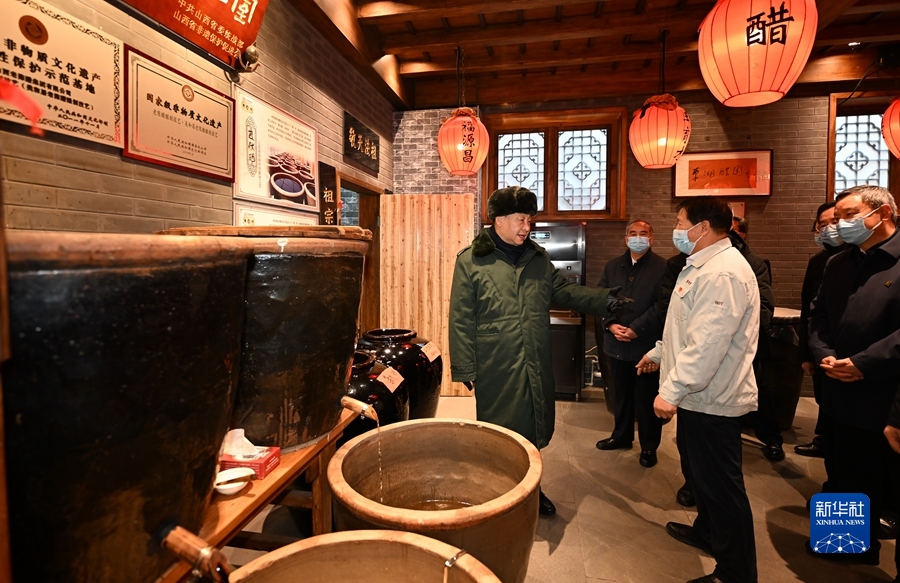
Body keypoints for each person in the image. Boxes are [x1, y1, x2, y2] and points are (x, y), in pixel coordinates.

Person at [449, 186, 630, 517]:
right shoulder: (471, 261)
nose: (526, 227)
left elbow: (564, 292)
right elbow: (460, 317)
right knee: (500, 432)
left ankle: (531, 489)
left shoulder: (537, 258)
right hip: (496, 363)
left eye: (529, 220)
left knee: (533, 427)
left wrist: (604, 300)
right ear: (499, 219)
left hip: (535, 358)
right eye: (521, 219)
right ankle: (499, 493)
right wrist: (465, 367)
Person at [638, 197, 760, 583]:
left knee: (722, 486)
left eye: (680, 222)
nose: (677, 230)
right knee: (701, 476)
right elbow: (687, 328)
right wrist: (659, 351)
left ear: (703, 227)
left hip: (713, 399)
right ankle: (707, 531)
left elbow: (709, 343)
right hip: (699, 398)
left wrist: (672, 390)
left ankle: (735, 573)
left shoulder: (722, 273)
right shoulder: (701, 266)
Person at [807, 184, 900, 566]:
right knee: (841, 470)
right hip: (838, 388)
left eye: (849, 216)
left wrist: (865, 363)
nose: (840, 225)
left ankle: (873, 546)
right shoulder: (838, 263)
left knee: (880, 478)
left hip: (886, 393)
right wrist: (824, 355)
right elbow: (818, 316)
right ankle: (845, 545)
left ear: (883, 214)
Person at [595, 220, 667, 468]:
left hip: (646, 346)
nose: (638, 238)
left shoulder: (663, 267)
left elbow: (662, 305)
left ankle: (649, 447)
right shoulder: (613, 265)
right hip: (616, 343)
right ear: (626, 239)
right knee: (621, 395)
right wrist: (611, 324)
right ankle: (621, 436)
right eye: (633, 234)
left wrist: (636, 329)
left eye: (643, 233)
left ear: (651, 238)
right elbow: (601, 297)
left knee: (647, 399)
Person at [795, 201, 844, 457]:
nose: (828, 229)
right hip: (821, 347)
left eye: (834, 222)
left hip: (851, 349)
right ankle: (824, 440)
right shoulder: (818, 262)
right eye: (822, 225)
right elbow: (808, 309)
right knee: (824, 398)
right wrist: (805, 353)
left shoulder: (863, 258)